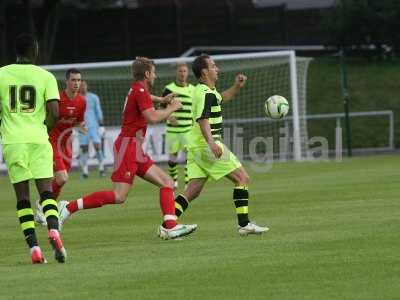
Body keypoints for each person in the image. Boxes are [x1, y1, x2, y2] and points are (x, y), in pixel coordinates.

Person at [57, 57, 197, 240]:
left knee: (167, 182)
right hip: (128, 147)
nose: (155, 76)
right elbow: (152, 117)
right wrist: (172, 107)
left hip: (134, 148)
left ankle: (169, 226)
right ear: (147, 74)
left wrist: (162, 99)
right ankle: (68, 207)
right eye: (153, 72)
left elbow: (146, 98)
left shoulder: (138, 89)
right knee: (119, 196)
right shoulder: (139, 91)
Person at [173, 54, 269, 235]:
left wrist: (237, 87)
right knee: (242, 178)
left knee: (193, 190)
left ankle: (167, 224)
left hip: (196, 146)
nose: (217, 69)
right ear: (204, 72)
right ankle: (244, 224)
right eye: (214, 66)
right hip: (206, 145)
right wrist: (211, 143)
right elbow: (203, 119)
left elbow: (222, 97)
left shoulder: (206, 91)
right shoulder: (204, 93)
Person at [0, 34, 67, 263]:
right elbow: (56, 113)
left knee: (22, 199)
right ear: (35, 50)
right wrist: (44, 129)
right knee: (46, 192)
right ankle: (54, 231)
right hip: (39, 139)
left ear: (15, 51)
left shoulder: (1, 74)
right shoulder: (46, 76)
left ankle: (34, 249)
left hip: (13, 141)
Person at [35, 68, 86, 225]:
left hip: (67, 144)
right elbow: (44, 116)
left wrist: (81, 126)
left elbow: (78, 121)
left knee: (58, 180)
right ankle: (42, 206)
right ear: (67, 81)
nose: (76, 83)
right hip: (52, 141)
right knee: (62, 178)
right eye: (73, 80)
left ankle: (44, 209)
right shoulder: (56, 98)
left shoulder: (82, 102)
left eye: (78, 80)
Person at [162, 62, 195, 189]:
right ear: (176, 72)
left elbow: (195, 107)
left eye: (184, 71)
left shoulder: (192, 89)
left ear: (187, 73)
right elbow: (161, 107)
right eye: (180, 71)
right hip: (173, 130)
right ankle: (174, 181)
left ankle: (187, 182)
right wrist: (169, 116)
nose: (182, 73)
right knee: (173, 156)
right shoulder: (169, 89)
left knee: (189, 155)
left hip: (188, 128)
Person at [78, 80, 106, 178]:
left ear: (87, 86)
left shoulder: (94, 97)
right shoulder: (76, 98)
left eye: (84, 85)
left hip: (94, 126)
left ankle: (102, 168)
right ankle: (85, 172)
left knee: (97, 146)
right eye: (81, 86)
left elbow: (98, 111)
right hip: (82, 128)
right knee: (84, 149)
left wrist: (101, 125)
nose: (83, 87)